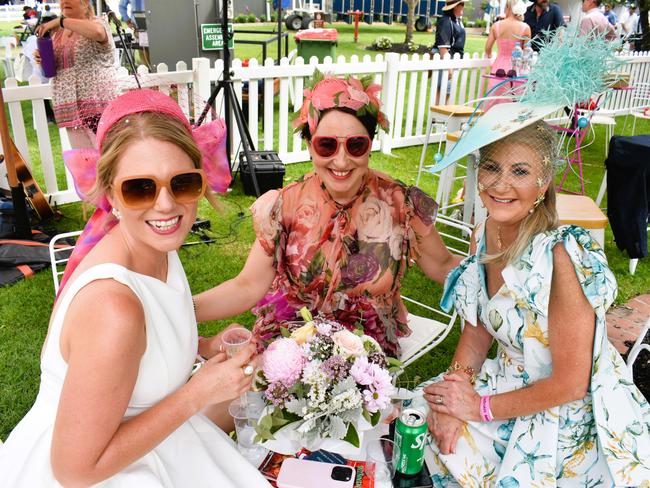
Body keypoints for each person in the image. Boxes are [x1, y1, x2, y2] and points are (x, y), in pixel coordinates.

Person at [0, 89, 270, 487]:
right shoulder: (112, 307)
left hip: (146, 441)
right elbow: (73, 471)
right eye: (140, 188)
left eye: (182, 183)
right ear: (111, 194)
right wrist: (197, 393)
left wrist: (204, 345)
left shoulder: (151, 246)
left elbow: (149, 334)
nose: (165, 205)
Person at [415, 109, 650, 486]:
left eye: (520, 172)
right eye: (491, 168)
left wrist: (477, 408)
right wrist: (454, 395)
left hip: (566, 414)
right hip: (507, 384)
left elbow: (572, 383)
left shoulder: (561, 257)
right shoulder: (487, 229)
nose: (501, 185)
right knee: (422, 420)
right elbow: (478, 331)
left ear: (543, 182)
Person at [193, 73, 460, 359]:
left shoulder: (401, 203)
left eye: (356, 145)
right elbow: (246, 286)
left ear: (370, 143)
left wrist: (499, 282)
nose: (342, 160)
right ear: (309, 145)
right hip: (292, 342)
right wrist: (176, 309)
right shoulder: (284, 205)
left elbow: (445, 266)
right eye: (327, 145)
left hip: (365, 352)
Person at [34, 0, 118, 150]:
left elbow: (98, 33)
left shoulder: (96, 23)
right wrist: (42, 60)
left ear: (85, 2)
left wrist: (61, 21)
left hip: (97, 106)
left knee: (106, 159)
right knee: (84, 165)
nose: (64, 1)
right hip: (70, 111)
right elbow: (51, 72)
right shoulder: (57, 34)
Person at [483, 0, 531, 111]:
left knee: (494, 103)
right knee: (512, 105)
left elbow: (487, 48)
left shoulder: (496, 26)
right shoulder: (525, 28)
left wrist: (490, 55)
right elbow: (526, 52)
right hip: (515, 69)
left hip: (498, 68)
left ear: (508, 7)